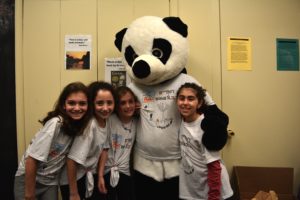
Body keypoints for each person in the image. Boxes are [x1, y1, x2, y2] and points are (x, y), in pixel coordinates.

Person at [14, 82, 91, 200]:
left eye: (82, 103)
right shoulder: (56, 123)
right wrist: (29, 194)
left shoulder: (80, 126)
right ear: (64, 105)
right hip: (29, 179)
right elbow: (31, 160)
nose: (77, 108)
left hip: (50, 182)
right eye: (71, 103)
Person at [176, 82, 233, 200]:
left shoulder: (206, 126)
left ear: (200, 103)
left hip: (214, 191)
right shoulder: (182, 120)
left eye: (190, 99)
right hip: (194, 189)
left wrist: (214, 196)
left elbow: (214, 166)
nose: (185, 103)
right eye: (181, 98)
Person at [60, 81, 116, 200]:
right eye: (100, 103)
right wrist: (74, 193)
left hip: (88, 175)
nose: (105, 108)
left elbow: (104, 149)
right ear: (91, 104)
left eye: (109, 103)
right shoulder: (91, 125)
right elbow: (71, 160)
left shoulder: (106, 121)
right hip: (74, 180)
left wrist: (100, 176)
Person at [99, 86, 138, 200]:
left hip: (126, 173)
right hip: (106, 171)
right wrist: (100, 175)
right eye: (123, 103)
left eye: (131, 101)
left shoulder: (137, 122)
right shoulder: (109, 120)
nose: (128, 106)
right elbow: (104, 149)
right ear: (116, 105)